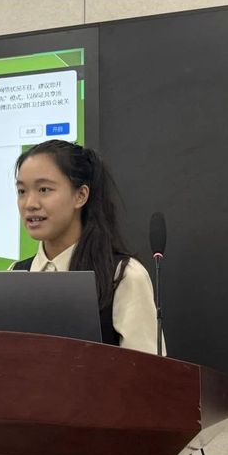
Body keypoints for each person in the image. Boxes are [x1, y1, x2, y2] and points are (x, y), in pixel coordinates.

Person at [11, 140, 161, 354]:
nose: (30, 204)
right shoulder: (15, 275)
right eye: (22, 191)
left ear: (80, 195)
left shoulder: (123, 276)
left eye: (44, 189)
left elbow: (147, 370)